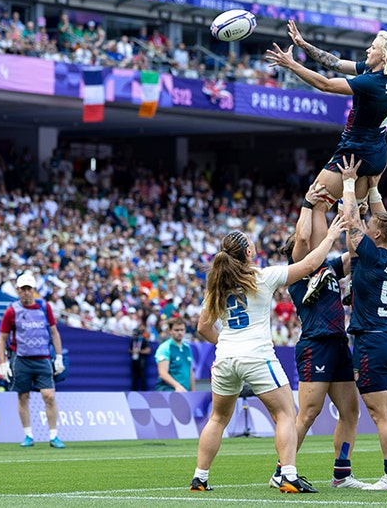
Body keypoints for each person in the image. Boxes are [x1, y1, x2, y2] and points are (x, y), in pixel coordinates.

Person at [189, 216, 346, 494]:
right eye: (251, 244)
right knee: (286, 414)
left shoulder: (217, 285)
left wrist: (225, 343)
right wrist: (331, 236)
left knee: (217, 419)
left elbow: (202, 326)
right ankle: (287, 475)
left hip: (225, 359)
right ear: (249, 253)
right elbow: (310, 265)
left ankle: (199, 478)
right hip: (257, 356)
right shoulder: (262, 276)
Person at [273, 181, 370, 490]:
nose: (311, 243)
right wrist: (308, 203)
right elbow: (303, 235)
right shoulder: (297, 273)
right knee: (309, 413)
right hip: (315, 345)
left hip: (339, 344)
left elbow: (357, 255)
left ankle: (342, 474)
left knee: (351, 411)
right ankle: (281, 470)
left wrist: (355, 218)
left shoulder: (327, 267)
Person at [266, 23, 387, 208]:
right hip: (375, 152)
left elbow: (326, 85)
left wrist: (291, 64)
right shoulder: (386, 75)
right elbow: (335, 63)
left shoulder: (372, 82)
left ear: (384, 56)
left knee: (314, 204)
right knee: (350, 213)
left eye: (373, 48)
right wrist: (304, 44)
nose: (367, 50)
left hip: (356, 152)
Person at [336, 156, 387, 490]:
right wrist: (377, 187)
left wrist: (351, 183)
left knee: (381, 415)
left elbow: (352, 221)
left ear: (377, 234)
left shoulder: (369, 252)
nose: (368, 225)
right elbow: (377, 219)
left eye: (372, 227)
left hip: (372, 340)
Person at [0, 272, 67, 448]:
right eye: (23, 289)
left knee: (49, 396)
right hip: (21, 359)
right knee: (23, 396)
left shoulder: (44, 307)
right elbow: (1, 339)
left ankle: (53, 435)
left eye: (29, 289)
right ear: (18, 290)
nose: (26, 292)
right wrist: (3, 363)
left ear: (34, 290)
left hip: (43, 358)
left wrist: (59, 357)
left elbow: (54, 332)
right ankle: (28, 435)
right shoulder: (12, 311)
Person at [154, 318, 194, 392]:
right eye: (176, 330)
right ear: (170, 330)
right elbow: (162, 373)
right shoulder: (165, 347)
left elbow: (190, 372)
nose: (180, 332)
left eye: (182, 330)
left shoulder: (187, 348)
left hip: (185, 391)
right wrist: (178, 387)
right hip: (168, 390)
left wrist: (193, 392)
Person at [130, 323, 152, 391]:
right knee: (134, 378)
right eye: (134, 335)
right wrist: (132, 351)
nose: (135, 336)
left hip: (141, 360)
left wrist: (139, 351)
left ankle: (144, 391)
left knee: (142, 377)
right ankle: (134, 391)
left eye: (136, 335)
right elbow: (129, 349)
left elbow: (148, 350)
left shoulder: (143, 340)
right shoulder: (132, 340)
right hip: (134, 360)